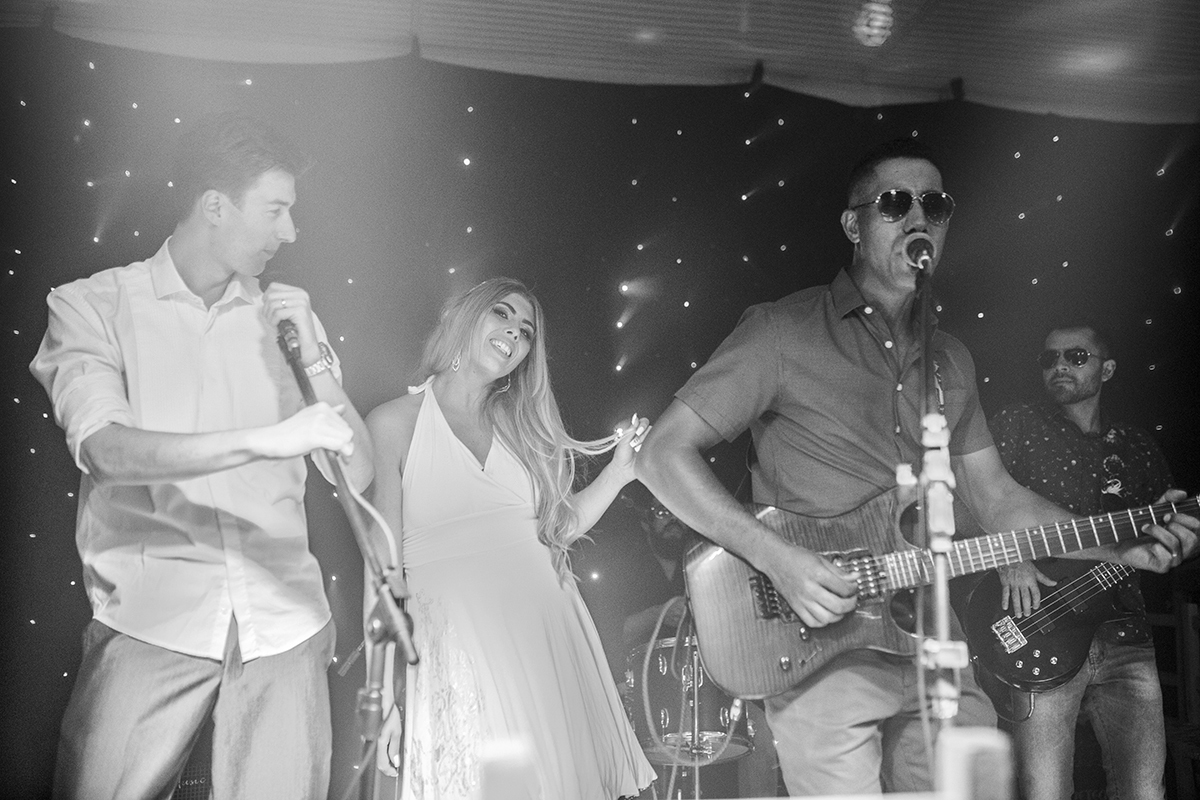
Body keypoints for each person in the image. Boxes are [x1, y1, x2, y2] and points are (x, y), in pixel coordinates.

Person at [635, 137, 1199, 795]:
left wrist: (1120, 544)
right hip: (820, 646)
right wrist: (777, 559)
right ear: (854, 225)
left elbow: (997, 499)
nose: (917, 217)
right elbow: (660, 455)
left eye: (935, 204)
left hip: (932, 638)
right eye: (894, 203)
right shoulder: (782, 331)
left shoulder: (951, 359)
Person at [29, 111, 374, 799]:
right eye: (275, 210)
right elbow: (105, 451)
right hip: (152, 614)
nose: (290, 232)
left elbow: (357, 472)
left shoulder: (288, 321)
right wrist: (262, 441)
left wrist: (312, 358)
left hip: (285, 621)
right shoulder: (92, 305)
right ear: (215, 206)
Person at [366, 277, 656, 799]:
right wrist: (382, 692)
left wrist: (619, 473)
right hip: (460, 647)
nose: (514, 334)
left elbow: (556, 530)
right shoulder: (393, 424)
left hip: (547, 634)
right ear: (464, 316)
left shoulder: (523, 429)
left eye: (526, 332)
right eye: (501, 314)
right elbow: (381, 571)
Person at [989, 321, 1179, 799]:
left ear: (1106, 369)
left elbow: (1166, 539)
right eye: (1049, 358)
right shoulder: (1017, 424)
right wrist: (1008, 554)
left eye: (1075, 357)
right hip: (1041, 627)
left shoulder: (1136, 446)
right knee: (1044, 791)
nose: (1059, 366)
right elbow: (974, 501)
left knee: (1145, 791)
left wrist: (1181, 541)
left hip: (1126, 636)